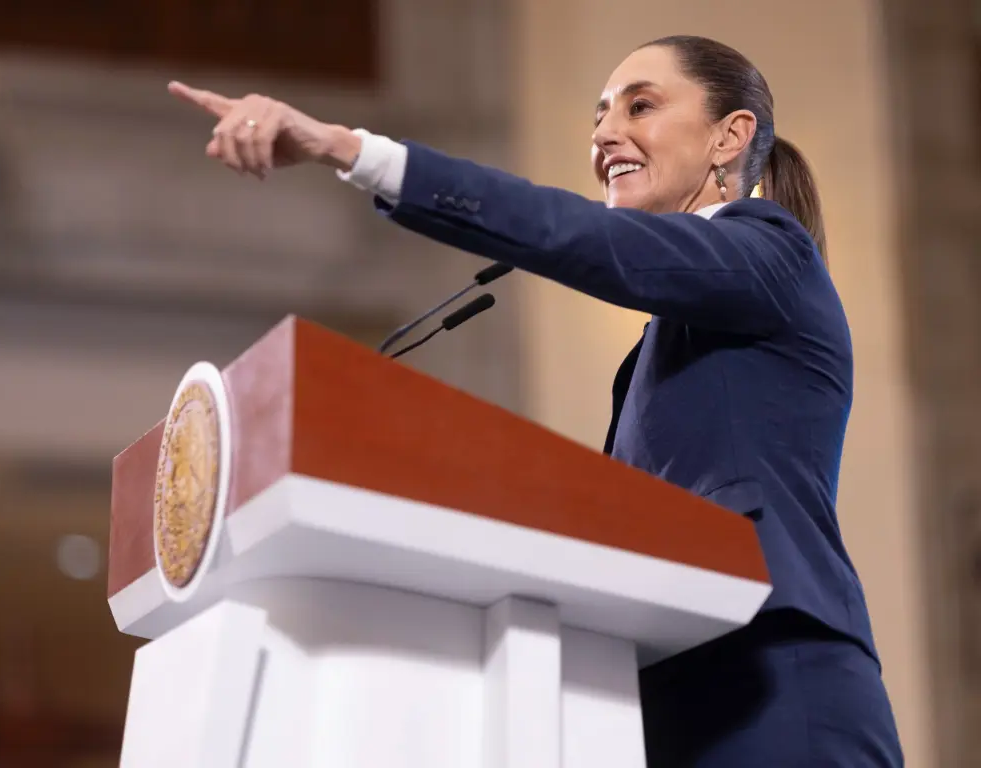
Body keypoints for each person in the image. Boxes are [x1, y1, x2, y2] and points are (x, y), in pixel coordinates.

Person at [168, 34, 903, 767]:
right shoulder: (667, 337)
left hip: (778, 685)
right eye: (599, 117)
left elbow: (582, 235)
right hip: (664, 693)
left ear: (729, 136)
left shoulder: (773, 253)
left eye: (640, 106)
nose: (605, 135)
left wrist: (349, 149)